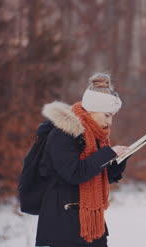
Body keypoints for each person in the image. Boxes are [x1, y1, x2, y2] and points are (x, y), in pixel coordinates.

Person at [35, 72, 130, 247]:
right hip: (63, 228)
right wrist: (108, 153)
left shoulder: (95, 136)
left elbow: (101, 175)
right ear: (93, 110)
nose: (110, 122)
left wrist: (119, 160)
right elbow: (75, 173)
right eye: (107, 115)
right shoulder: (63, 133)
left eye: (112, 117)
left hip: (92, 226)